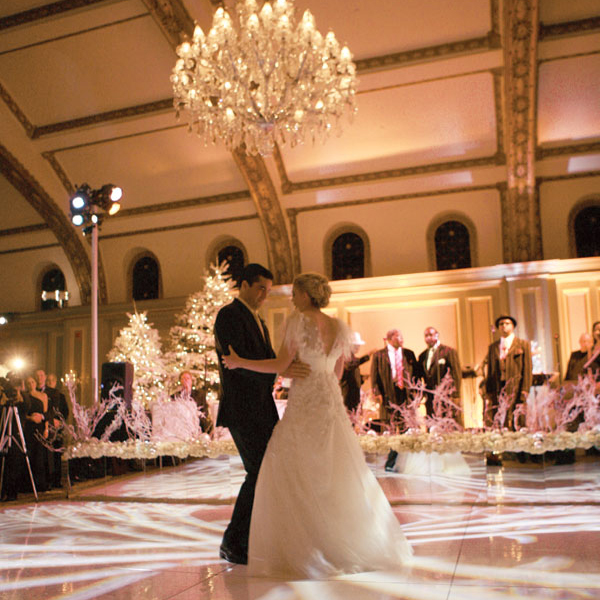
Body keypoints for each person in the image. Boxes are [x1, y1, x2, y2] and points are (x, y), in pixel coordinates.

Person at [222, 272, 412, 579]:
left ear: (307, 295)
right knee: (337, 468)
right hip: (329, 400)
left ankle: (307, 544)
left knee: (292, 466)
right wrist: (314, 375)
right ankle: (343, 539)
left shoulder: (297, 322)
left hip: (305, 401)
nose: (292, 299)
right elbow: (336, 371)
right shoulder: (338, 325)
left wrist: (238, 362)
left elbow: (281, 365)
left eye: (295, 293)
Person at [214, 263, 309, 565]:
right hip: (242, 408)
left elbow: (266, 360)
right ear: (243, 285)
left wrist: (280, 369)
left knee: (266, 471)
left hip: (261, 407)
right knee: (257, 471)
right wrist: (279, 370)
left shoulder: (259, 320)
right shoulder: (229, 315)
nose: (264, 296)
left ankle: (249, 537)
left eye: (268, 291)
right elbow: (235, 362)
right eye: (260, 289)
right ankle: (233, 542)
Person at [483, 315, 532, 466]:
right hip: (499, 388)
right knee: (500, 419)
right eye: (501, 324)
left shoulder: (522, 344)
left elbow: (528, 369)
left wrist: (525, 389)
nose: (504, 326)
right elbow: (491, 370)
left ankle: (522, 453)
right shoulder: (493, 347)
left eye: (507, 323)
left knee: (519, 419)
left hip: (516, 387)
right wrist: (490, 391)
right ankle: (503, 453)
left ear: (513, 326)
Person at [370, 329, 419, 471]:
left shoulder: (408, 354)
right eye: (399, 337)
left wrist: (416, 392)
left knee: (407, 429)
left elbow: (415, 373)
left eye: (403, 336)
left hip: (405, 395)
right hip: (388, 395)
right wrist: (376, 393)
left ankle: (405, 462)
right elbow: (374, 377)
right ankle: (390, 462)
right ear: (391, 339)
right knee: (390, 430)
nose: (402, 339)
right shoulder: (379, 355)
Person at [417, 326, 462, 420]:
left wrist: (455, 393)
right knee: (432, 421)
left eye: (430, 335)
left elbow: (456, 373)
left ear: (437, 335)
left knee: (447, 420)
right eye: (426, 336)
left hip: (446, 394)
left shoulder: (448, 351)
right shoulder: (422, 356)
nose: (428, 338)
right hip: (430, 395)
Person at [340, 331, 374, 412]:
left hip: (353, 397)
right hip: (347, 397)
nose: (358, 348)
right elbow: (349, 366)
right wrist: (367, 356)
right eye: (356, 346)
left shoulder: (352, 358)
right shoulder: (345, 357)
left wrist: (362, 378)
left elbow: (351, 376)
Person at [46, 373, 69, 488]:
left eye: (52, 380)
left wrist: (59, 422)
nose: (50, 382)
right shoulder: (44, 394)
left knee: (57, 453)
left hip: (57, 428)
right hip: (47, 426)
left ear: (55, 382)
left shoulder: (61, 396)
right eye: (48, 380)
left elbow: (65, 411)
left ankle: (57, 480)